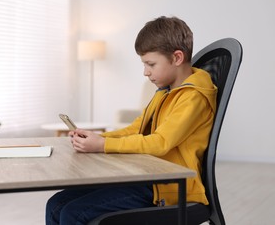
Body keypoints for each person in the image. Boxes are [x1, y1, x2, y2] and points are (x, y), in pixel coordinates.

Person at [45, 16, 217, 225]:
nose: (146, 72)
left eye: (150, 64)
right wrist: (98, 138)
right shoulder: (165, 92)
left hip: (168, 186)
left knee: (73, 213)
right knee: (55, 205)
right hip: (147, 176)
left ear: (177, 58)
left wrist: (104, 145)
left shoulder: (193, 97)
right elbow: (137, 128)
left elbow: (160, 142)